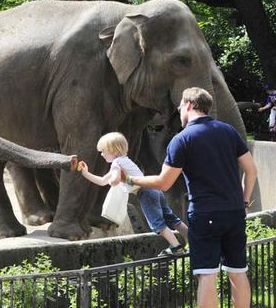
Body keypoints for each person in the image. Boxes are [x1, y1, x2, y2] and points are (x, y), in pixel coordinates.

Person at [122, 87, 258, 308]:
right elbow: (251, 171)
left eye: (180, 106)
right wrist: (243, 202)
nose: (179, 110)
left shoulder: (182, 139)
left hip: (205, 214)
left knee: (207, 275)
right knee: (238, 272)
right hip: (234, 212)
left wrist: (130, 180)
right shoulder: (228, 131)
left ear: (188, 104)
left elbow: (164, 182)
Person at [78, 132, 189, 256]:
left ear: (113, 150)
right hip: (153, 189)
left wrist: (114, 181)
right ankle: (192, 240)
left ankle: (176, 247)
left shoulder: (116, 163)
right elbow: (102, 181)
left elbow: (113, 180)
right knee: (171, 218)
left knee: (157, 223)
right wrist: (86, 173)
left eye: (103, 151)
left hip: (145, 192)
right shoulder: (124, 160)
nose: (102, 154)